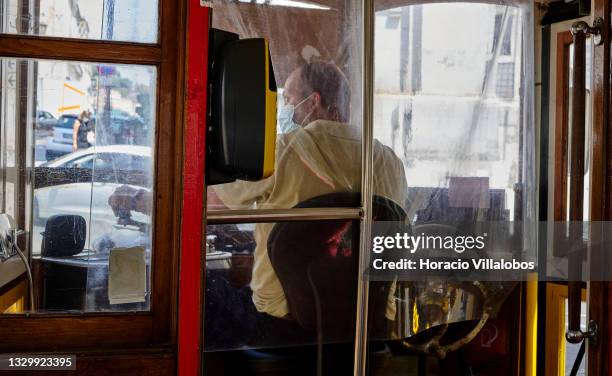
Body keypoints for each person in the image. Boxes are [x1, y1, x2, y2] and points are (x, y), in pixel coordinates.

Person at [108, 62, 408, 348]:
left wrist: (136, 199)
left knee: (203, 296)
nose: (286, 108)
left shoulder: (283, 151)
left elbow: (203, 206)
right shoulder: (390, 161)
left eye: (289, 98)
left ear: (313, 101)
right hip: (370, 327)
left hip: (284, 327)